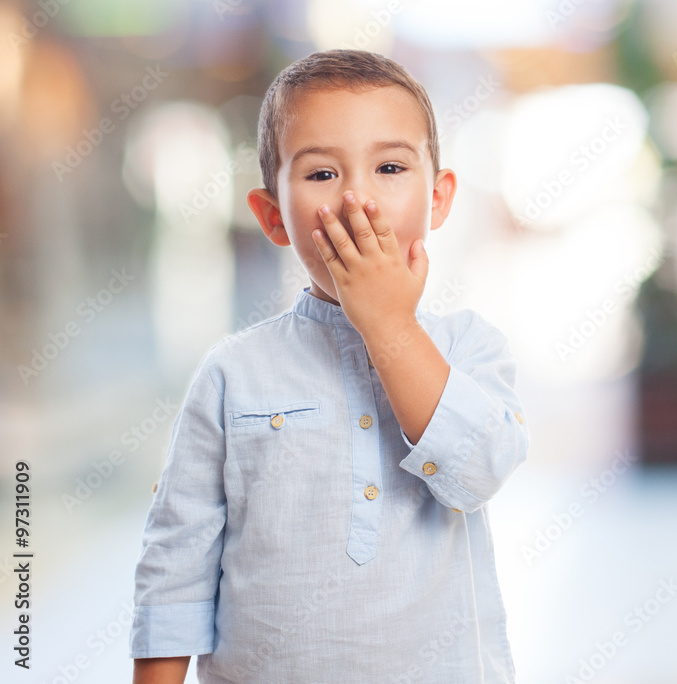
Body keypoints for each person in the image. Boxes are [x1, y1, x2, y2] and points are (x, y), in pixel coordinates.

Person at [129, 48, 530, 684]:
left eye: (390, 166)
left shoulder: (470, 348)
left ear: (439, 198)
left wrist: (390, 326)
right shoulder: (233, 372)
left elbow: (477, 473)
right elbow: (178, 557)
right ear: (271, 216)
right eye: (320, 175)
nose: (357, 198)